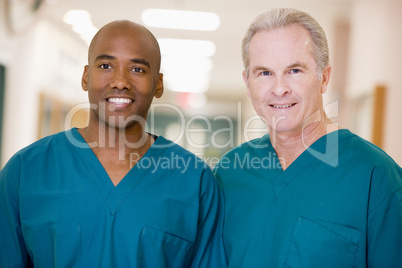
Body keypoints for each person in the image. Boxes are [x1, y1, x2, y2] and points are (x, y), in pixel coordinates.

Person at [0, 20, 227, 267]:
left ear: (158, 84)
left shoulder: (195, 181)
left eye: (137, 69)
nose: (120, 81)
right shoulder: (25, 172)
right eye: (106, 65)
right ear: (86, 77)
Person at [214, 8, 402, 267]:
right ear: (248, 83)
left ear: (323, 78)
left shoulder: (377, 177)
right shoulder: (230, 171)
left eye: (294, 70)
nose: (279, 89)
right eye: (265, 73)